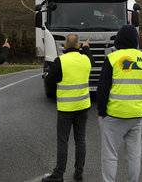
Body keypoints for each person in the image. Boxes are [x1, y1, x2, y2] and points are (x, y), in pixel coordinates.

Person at [96, 25, 142, 182]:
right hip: (136, 116)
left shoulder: (112, 58)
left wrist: (101, 111)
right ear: (135, 41)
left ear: (119, 40)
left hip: (114, 115)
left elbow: (103, 88)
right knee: (134, 154)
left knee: (110, 154)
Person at [42, 34, 94, 182]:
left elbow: (50, 82)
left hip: (66, 108)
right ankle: (79, 172)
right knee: (80, 140)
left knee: (63, 141)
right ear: (79, 46)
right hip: (83, 106)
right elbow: (92, 60)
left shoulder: (60, 61)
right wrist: (86, 49)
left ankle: (59, 174)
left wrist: (47, 77)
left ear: (64, 46)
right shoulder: (86, 60)